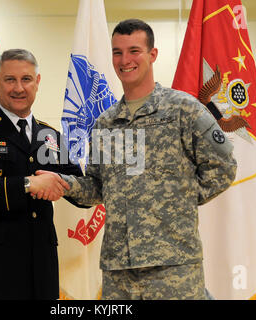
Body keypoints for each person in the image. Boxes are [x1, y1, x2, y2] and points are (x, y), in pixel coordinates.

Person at [36, 19, 237, 299]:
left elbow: (224, 166)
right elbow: (98, 187)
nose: (125, 60)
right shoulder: (106, 124)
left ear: (152, 55)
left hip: (173, 264)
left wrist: (178, 200)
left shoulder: (183, 110)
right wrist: (62, 182)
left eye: (134, 51)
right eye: (117, 52)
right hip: (119, 270)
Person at [0, 49, 83, 299]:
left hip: (41, 273)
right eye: (10, 79)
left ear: (37, 82)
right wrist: (29, 184)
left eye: (26, 79)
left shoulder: (49, 136)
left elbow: (81, 190)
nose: (19, 88)